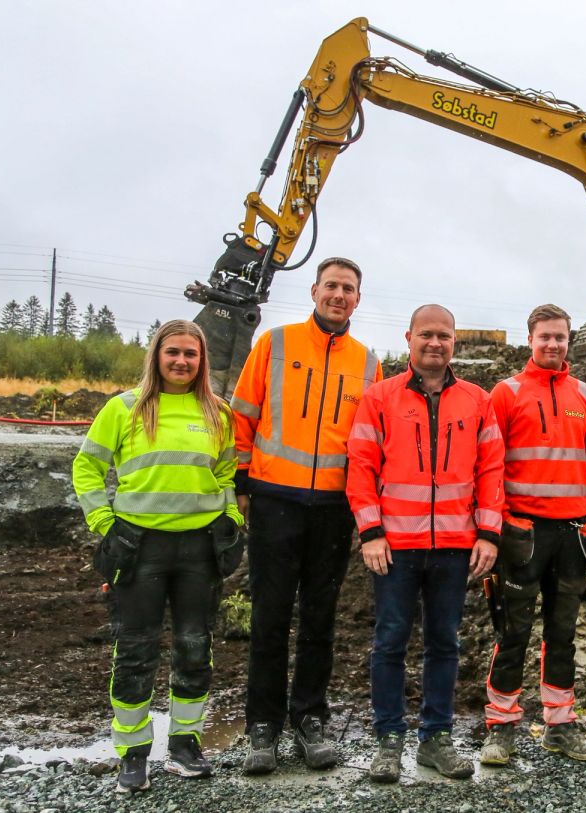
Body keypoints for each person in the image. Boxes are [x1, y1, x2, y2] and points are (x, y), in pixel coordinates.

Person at [72, 319, 243, 793]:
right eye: (173, 353)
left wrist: (232, 521)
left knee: (194, 648)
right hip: (138, 548)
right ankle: (133, 753)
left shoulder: (217, 412)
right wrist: (105, 525)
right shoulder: (123, 408)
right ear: (157, 356)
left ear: (201, 359)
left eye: (191, 353)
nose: (182, 361)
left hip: (198, 550)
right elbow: (87, 466)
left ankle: (185, 745)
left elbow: (227, 472)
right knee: (135, 651)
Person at [231, 256, 382, 775]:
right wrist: (242, 480)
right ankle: (263, 724)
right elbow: (243, 415)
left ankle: (310, 717)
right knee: (270, 615)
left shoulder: (367, 362)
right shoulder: (274, 344)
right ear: (315, 290)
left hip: (333, 507)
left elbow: (367, 443)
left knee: (320, 616)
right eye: (332, 286)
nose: (339, 295)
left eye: (349, 289)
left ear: (358, 299)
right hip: (274, 499)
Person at [347, 304, 504, 783]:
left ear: (455, 342)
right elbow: (361, 468)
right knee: (389, 641)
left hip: (455, 547)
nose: (435, 343)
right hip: (395, 546)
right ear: (409, 337)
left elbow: (492, 470)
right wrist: (370, 532)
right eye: (427, 335)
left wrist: (488, 533)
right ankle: (389, 740)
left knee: (445, 643)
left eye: (444, 336)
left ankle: (435, 738)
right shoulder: (379, 398)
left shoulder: (478, 400)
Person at [479, 304, 586, 765]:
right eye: (545, 337)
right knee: (512, 631)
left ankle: (560, 726)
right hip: (524, 535)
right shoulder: (506, 393)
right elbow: (489, 465)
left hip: (572, 536)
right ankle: (500, 729)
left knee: (563, 632)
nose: (552, 344)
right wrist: (499, 523)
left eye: (560, 337)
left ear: (568, 340)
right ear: (530, 339)